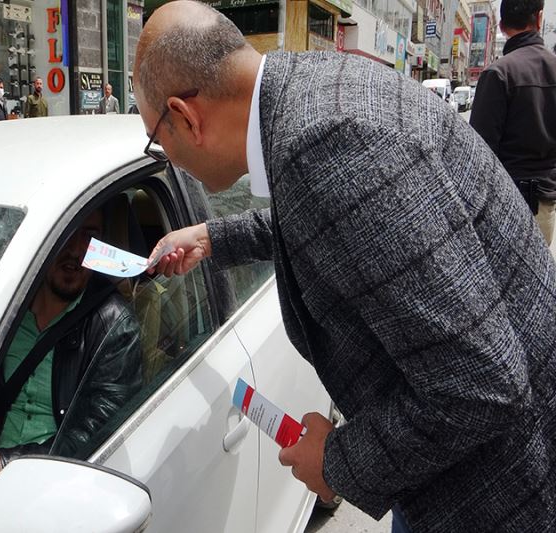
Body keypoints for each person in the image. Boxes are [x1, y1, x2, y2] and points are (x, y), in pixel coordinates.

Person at [135, 2, 556, 532]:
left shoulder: (326, 143)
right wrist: (212, 236)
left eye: (156, 139)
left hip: (496, 490)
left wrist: (337, 461)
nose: (165, 157)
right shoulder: (308, 92)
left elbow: (480, 383)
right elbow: (343, 226)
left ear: (186, 116)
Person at [0, 209, 142, 475]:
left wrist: (5, 462)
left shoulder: (115, 325)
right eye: (68, 231)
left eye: (90, 236)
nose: (76, 249)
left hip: (57, 476)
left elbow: (98, 430)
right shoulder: (1, 310)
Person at [470, 0, 556, 245]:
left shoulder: (498, 73)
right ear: (539, 19)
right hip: (544, 204)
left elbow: (480, 152)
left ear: (501, 25)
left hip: (504, 204)